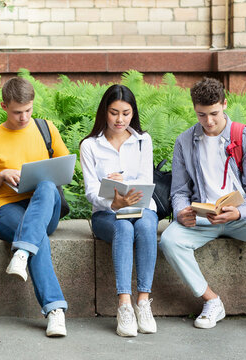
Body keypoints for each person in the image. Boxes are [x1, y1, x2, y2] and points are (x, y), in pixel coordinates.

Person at [159, 77, 246, 335]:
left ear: (225, 105)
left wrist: (238, 212)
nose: (208, 121)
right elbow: (180, 191)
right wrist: (183, 211)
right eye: (201, 114)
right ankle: (211, 301)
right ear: (195, 109)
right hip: (203, 218)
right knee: (170, 240)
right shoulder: (184, 141)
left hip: (242, 216)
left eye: (214, 114)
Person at [0, 77, 68, 337]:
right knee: (37, 237)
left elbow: (65, 170)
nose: (24, 117)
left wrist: (43, 176)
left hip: (45, 206)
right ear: (4, 106)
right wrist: (2, 177)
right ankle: (55, 311)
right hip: (6, 209)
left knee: (48, 187)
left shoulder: (45, 128)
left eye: (29, 110)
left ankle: (22, 252)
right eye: (17, 112)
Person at [80, 84, 158, 337]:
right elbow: (91, 191)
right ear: (104, 111)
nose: (120, 119)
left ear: (133, 113)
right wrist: (112, 203)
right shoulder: (90, 145)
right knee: (123, 226)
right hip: (107, 213)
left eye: (126, 113)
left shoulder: (142, 141)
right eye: (114, 112)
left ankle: (143, 301)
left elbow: (146, 178)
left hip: (141, 206)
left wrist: (124, 181)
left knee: (146, 225)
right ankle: (124, 304)